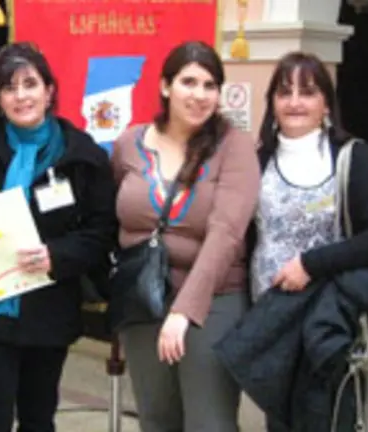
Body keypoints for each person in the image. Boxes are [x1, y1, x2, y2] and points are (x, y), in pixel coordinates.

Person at [0, 42, 117, 432]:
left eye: (30, 84)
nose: (21, 96)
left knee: (38, 418)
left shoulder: (83, 156)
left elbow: (101, 232)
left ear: (49, 91)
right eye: (9, 88)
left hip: (48, 308)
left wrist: (56, 255)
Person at [250, 51, 368, 431]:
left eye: (308, 92)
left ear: (327, 103)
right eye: (284, 92)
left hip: (329, 323)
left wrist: (310, 264)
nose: (295, 102)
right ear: (272, 103)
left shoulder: (354, 158)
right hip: (270, 322)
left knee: (328, 418)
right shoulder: (259, 160)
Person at [111, 41, 259, 432]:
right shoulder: (129, 143)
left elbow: (226, 233)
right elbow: (114, 216)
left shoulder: (236, 146)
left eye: (210, 85)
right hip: (144, 297)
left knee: (209, 422)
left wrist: (184, 310)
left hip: (214, 299)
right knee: (156, 419)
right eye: (188, 82)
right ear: (165, 86)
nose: (199, 94)